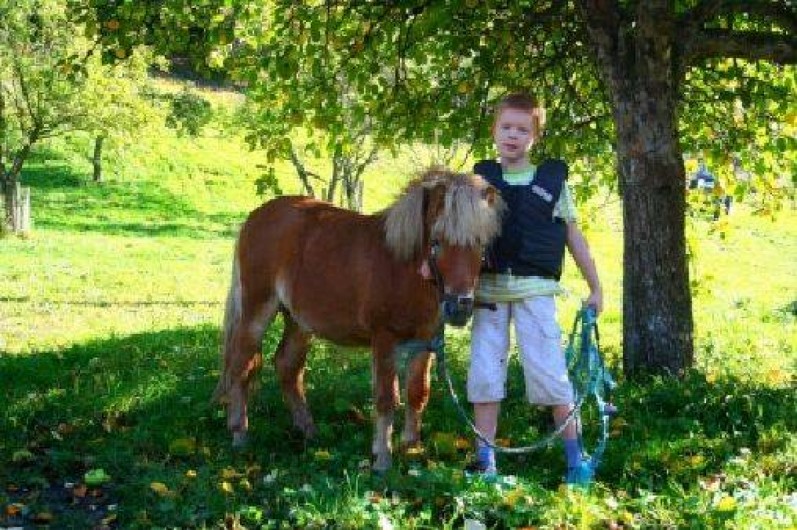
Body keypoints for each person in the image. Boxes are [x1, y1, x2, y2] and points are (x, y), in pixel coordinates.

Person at [467, 92, 603, 486]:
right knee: (484, 376)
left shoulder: (552, 183)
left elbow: (573, 237)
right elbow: (456, 234)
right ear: (494, 131)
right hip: (489, 294)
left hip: (535, 293)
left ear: (535, 137)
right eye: (505, 127)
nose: (512, 135)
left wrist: (595, 286)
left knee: (551, 375)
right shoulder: (479, 182)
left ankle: (576, 462)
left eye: (522, 129)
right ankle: (485, 461)